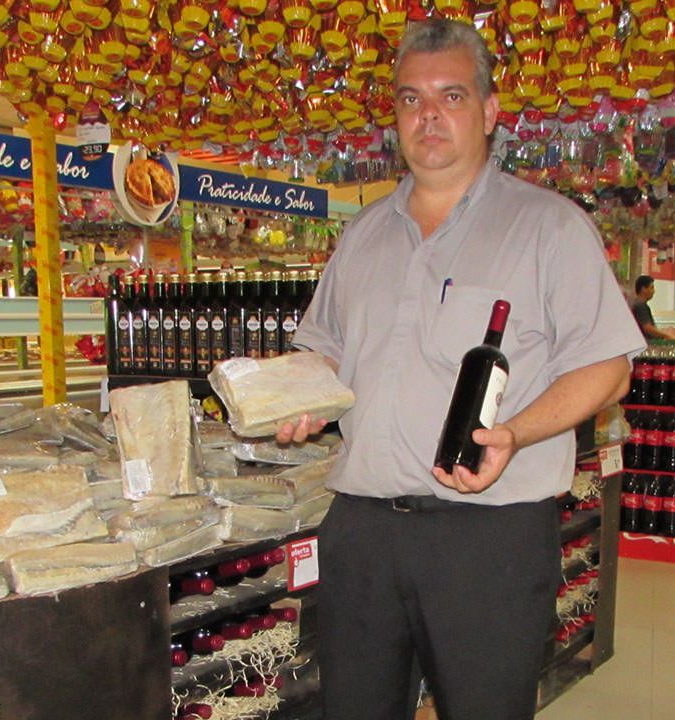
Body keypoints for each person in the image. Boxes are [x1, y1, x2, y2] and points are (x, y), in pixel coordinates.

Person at [276, 18, 646, 720]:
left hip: (488, 535)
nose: (429, 116)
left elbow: (607, 368)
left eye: (451, 96)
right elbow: (323, 350)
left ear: (489, 111)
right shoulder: (362, 235)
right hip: (362, 528)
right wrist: (295, 395)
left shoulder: (548, 227)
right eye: (411, 99)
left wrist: (515, 434)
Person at [632, 275, 675, 340]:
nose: (654, 291)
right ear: (643, 289)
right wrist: (666, 335)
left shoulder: (637, 303)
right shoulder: (641, 305)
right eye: (651, 288)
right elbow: (647, 328)